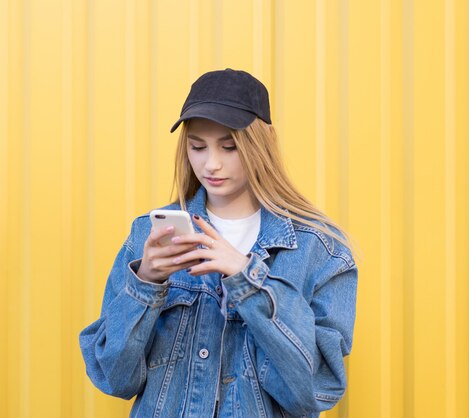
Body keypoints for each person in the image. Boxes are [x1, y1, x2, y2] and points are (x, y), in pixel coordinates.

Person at [79, 68, 358, 418]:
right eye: (198, 147)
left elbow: (315, 390)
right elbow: (114, 378)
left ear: (259, 147)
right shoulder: (148, 237)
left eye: (229, 147)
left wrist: (248, 279)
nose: (211, 163)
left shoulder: (320, 249)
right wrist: (147, 283)